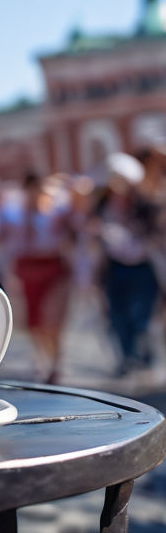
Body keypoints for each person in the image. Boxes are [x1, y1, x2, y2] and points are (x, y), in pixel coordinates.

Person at [95, 153, 162, 375]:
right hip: (115, 268)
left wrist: (133, 234)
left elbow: (155, 232)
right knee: (118, 315)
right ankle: (126, 357)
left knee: (140, 314)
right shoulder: (104, 205)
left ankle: (143, 353)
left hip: (142, 267)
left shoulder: (144, 204)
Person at [8, 172, 74, 383]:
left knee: (53, 318)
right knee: (34, 320)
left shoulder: (58, 213)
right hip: (27, 269)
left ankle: (56, 361)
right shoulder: (15, 215)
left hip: (53, 268)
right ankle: (43, 359)